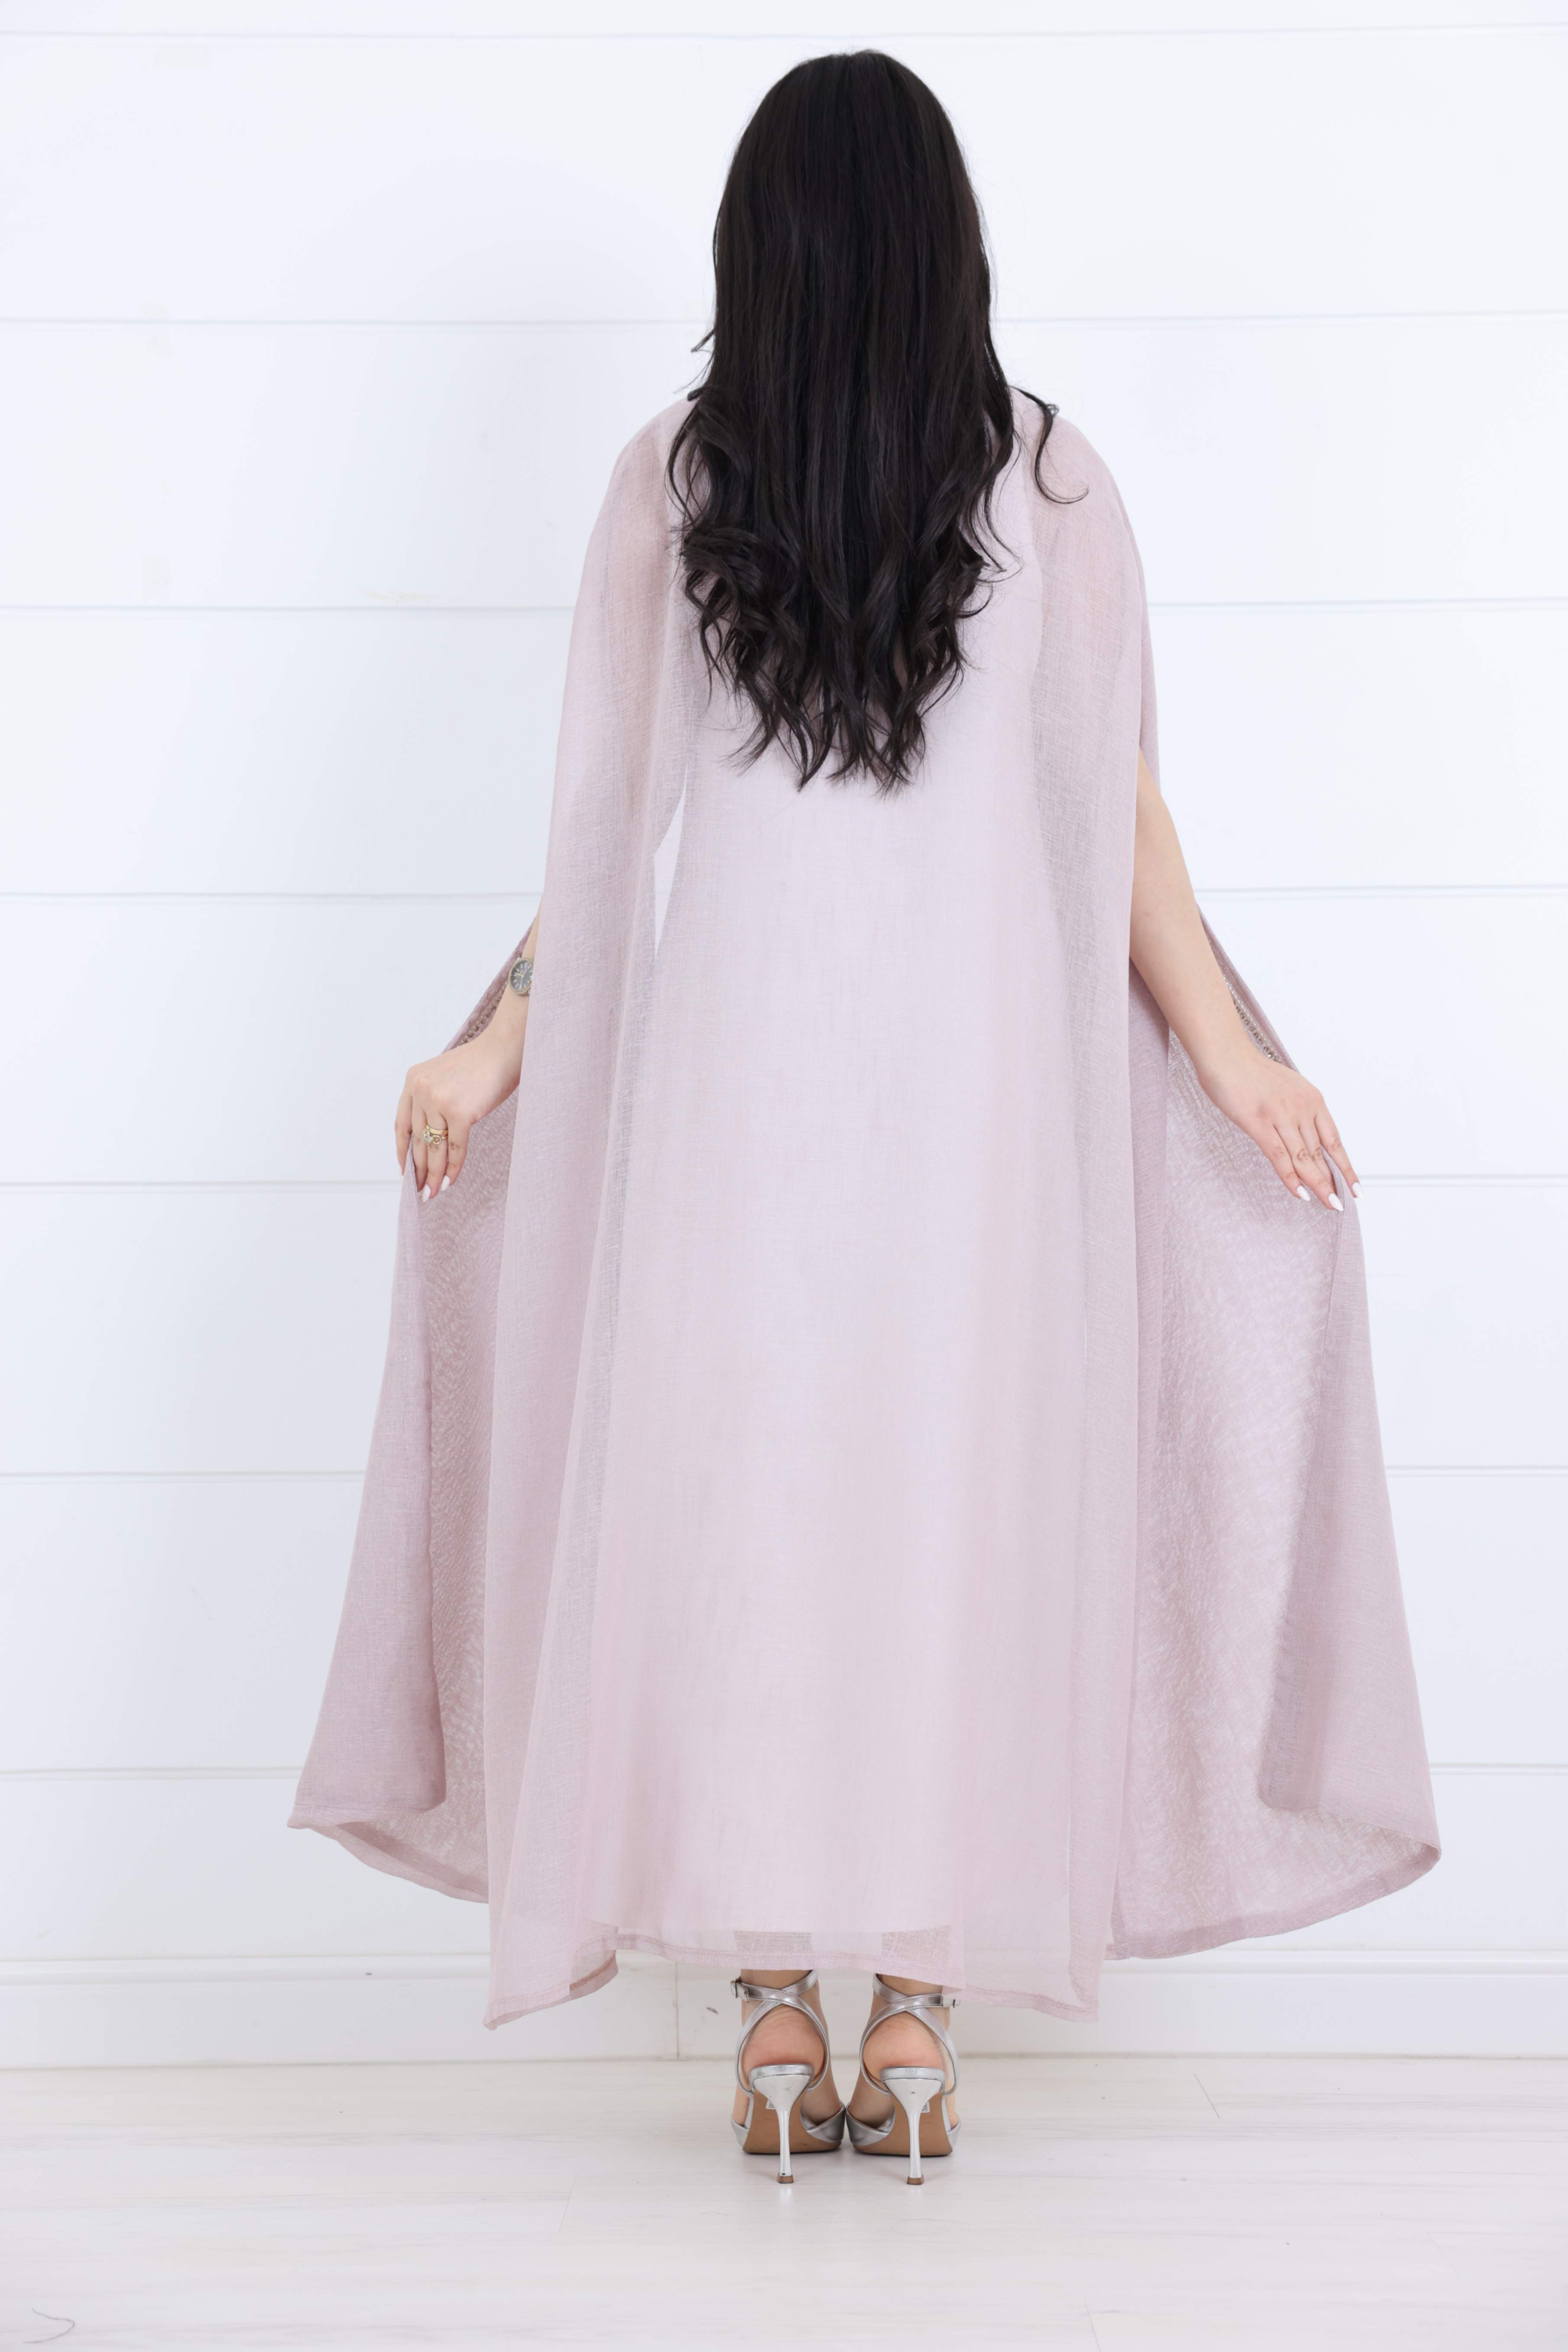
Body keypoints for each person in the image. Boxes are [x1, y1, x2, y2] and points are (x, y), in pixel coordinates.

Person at [292, 51, 1437, 2187]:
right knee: (944, 1527)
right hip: (978, 1136)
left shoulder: (673, 484)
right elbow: (1120, 821)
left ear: (765, 253)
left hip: (732, 1121)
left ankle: (768, 2020)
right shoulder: (1052, 484)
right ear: (945, 247)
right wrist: (1226, 1052)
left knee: (753, 1531)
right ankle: (906, 2015)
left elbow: (606, 840)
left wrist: (496, 1045)